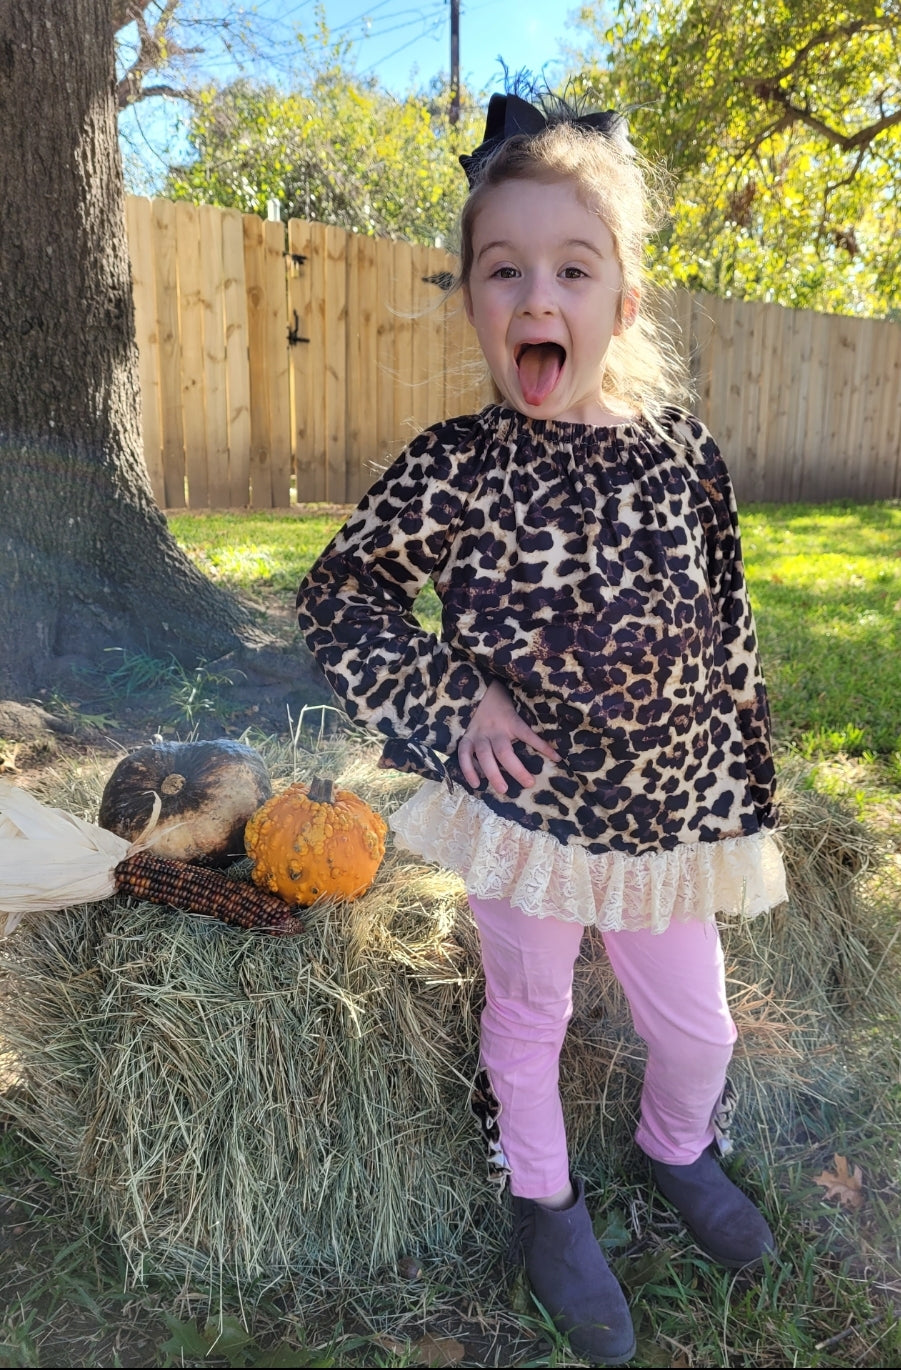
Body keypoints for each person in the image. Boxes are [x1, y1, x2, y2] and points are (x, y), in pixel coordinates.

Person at [296, 86, 787, 1367]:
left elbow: (726, 621)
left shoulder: (685, 454)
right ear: (470, 298)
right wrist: (454, 700)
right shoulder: (457, 463)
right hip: (530, 811)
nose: (536, 297)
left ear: (621, 301)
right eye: (502, 270)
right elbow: (341, 592)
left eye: (572, 268)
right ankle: (543, 1201)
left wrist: (739, 778)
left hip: (667, 812)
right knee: (531, 1012)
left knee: (700, 1027)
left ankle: (677, 1143)